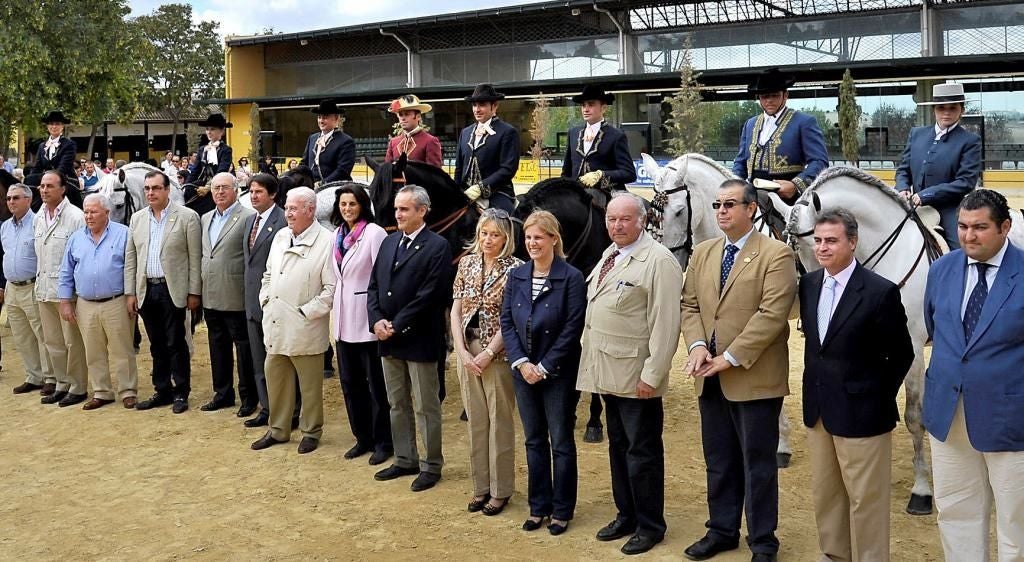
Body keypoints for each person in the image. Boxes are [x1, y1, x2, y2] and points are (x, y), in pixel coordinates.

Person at [680, 179, 798, 562]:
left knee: (757, 464)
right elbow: (691, 305)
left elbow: (771, 315)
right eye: (717, 204)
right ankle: (722, 530)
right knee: (719, 459)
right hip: (709, 375)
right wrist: (698, 347)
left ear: (751, 209)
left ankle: (762, 540)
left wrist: (727, 357)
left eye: (730, 204)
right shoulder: (703, 252)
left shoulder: (776, 254)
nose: (721, 211)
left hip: (752, 377)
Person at [799, 208, 914, 562]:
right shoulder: (809, 284)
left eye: (831, 241)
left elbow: (902, 354)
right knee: (826, 493)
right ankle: (834, 554)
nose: (822, 248)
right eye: (818, 241)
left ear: (852, 242)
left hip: (864, 414)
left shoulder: (880, 292)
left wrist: (872, 396)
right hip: (818, 409)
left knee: (866, 499)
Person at [578, 194, 683, 555]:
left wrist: (652, 376)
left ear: (642, 221)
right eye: (611, 219)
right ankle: (626, 513)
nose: (616, 226)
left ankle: (650, 524)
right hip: (608, 371)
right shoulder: (610, 254)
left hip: (637, 376)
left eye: (625, 219)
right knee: (619, 447)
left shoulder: (660, 261)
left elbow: (666, 326)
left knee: (643, 452)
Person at [923, 189, 1024, 561]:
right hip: (948, 410)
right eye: (963, 226)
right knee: (955, 508)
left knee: (1017, 517)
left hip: (1010, 415)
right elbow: (939, 330)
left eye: (980, 227)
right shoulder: (941, 269)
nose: (968, 236)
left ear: (1005, 227)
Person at [500, 210, 585, 533]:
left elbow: (572, 327)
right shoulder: (517, 276)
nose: (533, 243)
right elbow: (507, 321)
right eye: (528, 238)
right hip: (523, 370)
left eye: (539, 237)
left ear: (553, 239)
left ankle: (562, 509)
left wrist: (545, 366)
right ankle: (539, 506)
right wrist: (521, 362)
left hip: (558, 372)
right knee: (534, 440)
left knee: (561, 441)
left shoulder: (572, 277)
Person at [367, 185, 452, 492]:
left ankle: (431, 464)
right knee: (396, 402)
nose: (397, 214)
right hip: (387, 337)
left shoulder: (438, 246)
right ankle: (405, 458)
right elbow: (374, 285)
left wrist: (396, 324)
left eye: (404, 209)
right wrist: (376, 321)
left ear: (422, 211)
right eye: (396, 209)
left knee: (425, 405)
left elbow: (430, 294)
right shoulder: (389, 242)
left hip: (419, 338)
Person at [250, 187, 335, 455]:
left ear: (311, 210)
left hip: (305, 326)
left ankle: (311, 431)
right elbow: (267, 273)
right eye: (287, 208)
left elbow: (331, 290)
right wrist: (265, 299)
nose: (288, 213)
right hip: (275, 322)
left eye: (294, 208)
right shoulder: (281, 236)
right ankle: (278, 430)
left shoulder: (327, 241)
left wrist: (306, 312)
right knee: (276, 379)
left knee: (309, 386)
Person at [451, 208, 522, 516]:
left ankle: (501, 489)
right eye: (484, 233)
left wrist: (488, 352)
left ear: (506, 238)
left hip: (498, 353)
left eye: (495, 235)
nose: (488, 239)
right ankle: (480, 487)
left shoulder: (517, 268)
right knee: (476, 422)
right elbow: (455, 309)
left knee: (500, 422)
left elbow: (512, 318)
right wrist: (462, 350)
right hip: (468, 348)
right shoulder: (466, 262)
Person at [126, 170, 202, 414]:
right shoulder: (137, 219)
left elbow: (194, 257)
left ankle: (181, 391)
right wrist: (131, 292)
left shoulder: (187, 217)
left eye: (156, 188)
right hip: (147, 289)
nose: (151, 193)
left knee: (175, 342)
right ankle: (162, 390)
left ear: (167, 190)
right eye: (147, 188)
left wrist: (193, 292)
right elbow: (131, 258)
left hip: (174, 289)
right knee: (156, 343)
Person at [329, 185, 392, 464]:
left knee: (375, 387)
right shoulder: (337, 235)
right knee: (350, 384)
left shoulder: (374, 233)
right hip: (342, 320)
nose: (347, 209)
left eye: (352, 204)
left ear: (363, 205)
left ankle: (383, 440)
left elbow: (382, 277)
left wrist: (379, 315)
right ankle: (361, 437)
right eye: (343, 204)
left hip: (366, 320)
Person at [57, 193, 138, 410]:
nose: (89, 216)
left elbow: (131, 268)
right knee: (93, 351)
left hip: (116, 301)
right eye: (86, 212)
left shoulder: (124, 234)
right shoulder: (75, 238)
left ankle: (128, 390)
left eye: (93, 211)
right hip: (85, 304)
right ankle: (102, 391)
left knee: (122, 349)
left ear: (106, 213)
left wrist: (131, 295)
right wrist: (65, 300)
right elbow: (66, 271)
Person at [896, 82, 982, 250]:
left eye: (952, 108)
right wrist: (903, 187)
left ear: (962, 110)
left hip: (949, 208)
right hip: (911, 203)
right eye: (941, 108)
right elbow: (903, 169)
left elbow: (965, 182)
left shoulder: (970, 141)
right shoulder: (916, 134)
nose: (946, 112)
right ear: (934, 109)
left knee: (961, 249)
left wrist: (926, 195)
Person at [199, 173, 257, 415]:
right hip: (211, 293)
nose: (219, 192)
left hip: (236, 294)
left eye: (224, 188)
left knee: (243, 349)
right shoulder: (205, 218)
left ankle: (248, 397)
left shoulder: (248, 218)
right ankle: (222, 393)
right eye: (215, 188)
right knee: (217, 345)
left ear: (235, 190)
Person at [32, 171, 88, 406]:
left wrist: (71, 294)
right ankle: (61, 384)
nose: (44, 190)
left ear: (63, 189)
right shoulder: (38, 216)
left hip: (66, 292)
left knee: (72, 342)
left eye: (50, 186)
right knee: (52, 341)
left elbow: (80, 257)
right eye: (42, 186)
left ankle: (77, 387)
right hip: (43, 289)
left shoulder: (75, 217)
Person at [732, 68, 829, 205]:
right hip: (753, 198)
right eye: (765, 96)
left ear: (785, 95)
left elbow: (819, 161)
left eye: (775, 95)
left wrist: (796, 185)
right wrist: (734, 182)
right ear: (759, 97)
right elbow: (741, 161)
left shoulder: (804, 122)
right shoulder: (750, 124)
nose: (769, 101)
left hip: (790, 200)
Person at [241, 173, 292, 428]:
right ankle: (267, 407)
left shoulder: (284, 220)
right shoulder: (251, 220)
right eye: (251, 191)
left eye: (259, 191)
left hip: (277, 303)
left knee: (281, 361)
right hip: (253, 303)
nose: (253, 196)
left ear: (273, 194)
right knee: (259, 360)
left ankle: (290, 412)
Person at [2, 184, 52, 394]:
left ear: (28, 200)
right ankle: (34, 376)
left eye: (16, 198)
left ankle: (51, 377)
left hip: (32, 285)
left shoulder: (38, 224)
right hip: (11, 287)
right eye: (8, 198)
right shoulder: (4, 227)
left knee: (42, 334)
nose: (11, 202)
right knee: (21, 336)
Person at [454, 84, 520, 213]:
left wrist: (480, 187)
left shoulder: (507, 132)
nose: (477, 109)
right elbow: (459, 167)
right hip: (465, 192)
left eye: (482, 105)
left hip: (497, 192)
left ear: (494, 106)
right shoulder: (466, 132)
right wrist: (456, 190)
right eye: (474, 105)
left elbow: (508, 169)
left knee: (504, 222)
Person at [561, 85, 636, 194]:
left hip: (606, 194)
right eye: (583, 105)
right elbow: (566, 172)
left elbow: (629, 174)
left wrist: (601, 175)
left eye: (591, 104)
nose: (586, 109)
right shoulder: (573, 133)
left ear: (603, 108)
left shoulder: (616, 136)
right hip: (576, 195)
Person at [29, 111, 82, 208]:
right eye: (51, 124)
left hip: (66, 180)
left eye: (57, 124)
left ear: (62, 126)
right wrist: (32, 180)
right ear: (47, 126)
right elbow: (37, 166)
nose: (54, 126)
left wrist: (47, 182)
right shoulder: (42, 146)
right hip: (46, 180)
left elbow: (63, 167)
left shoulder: (69, 144)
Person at [301, 100, 356, 185]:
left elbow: (343, 171)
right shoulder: (312, 138)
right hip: (311, 187)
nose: (321, 121)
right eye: (319, 117)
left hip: (334, 187)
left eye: (325, 117)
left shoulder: (346, 141)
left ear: (336, 118)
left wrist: (322, 183)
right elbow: (304, 163)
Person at [384, 95, 443, 168]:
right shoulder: (393, 142)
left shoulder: (430, 141)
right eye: (400, 115)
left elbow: (434, 174)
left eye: (407, 114)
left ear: (418, 116)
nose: (403, 118)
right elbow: (386, 171)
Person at [188, 113, 233, 186]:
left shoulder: (225, 150)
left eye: (212, 129)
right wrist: (186, 186)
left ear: (222, 131)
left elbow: (221, 172)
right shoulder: (202, 149)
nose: (209, 132)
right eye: (207, 129)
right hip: (201, 183)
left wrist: (208, 187)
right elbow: (195, 171)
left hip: (219, 184)